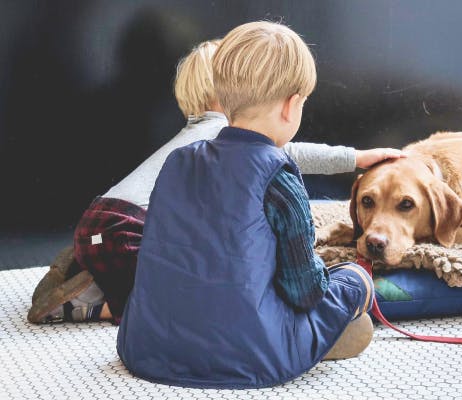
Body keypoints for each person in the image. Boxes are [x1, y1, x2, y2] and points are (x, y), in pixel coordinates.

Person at [28, 38, 403, 325]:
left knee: (160, 271)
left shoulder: (197, 136)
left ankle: (86, 269)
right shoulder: (223, 135)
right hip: (128, 227)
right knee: (164, 303)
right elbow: (291, 152)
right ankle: (82, 306)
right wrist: (356, 158)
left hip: (103, 221)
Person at [117, 21, 384, 389]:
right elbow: (305, 292)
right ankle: (319, 336)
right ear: (292, 107)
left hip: (148, 345)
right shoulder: (279, 178)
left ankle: (309, 337)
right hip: (249, 354)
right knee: (354, 280)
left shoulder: (177, 161)